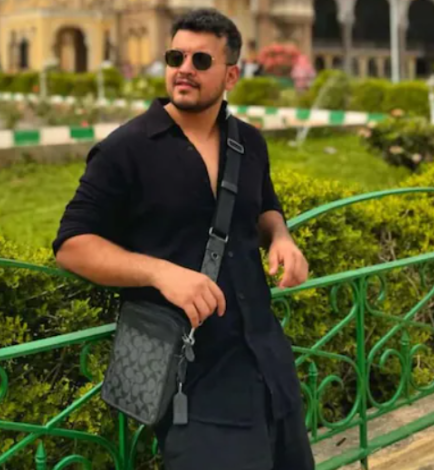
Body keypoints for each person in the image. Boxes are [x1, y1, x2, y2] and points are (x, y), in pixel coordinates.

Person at [52, 8, 316, 470]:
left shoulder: (248, 142)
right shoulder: (127, 149)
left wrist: (281, 237)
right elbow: (72, 245)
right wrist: (160, 273)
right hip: (193, 387)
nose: (184, 69)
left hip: (270, 370)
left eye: (201, 60)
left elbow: (264, 208)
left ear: (231, 75)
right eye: (176, 57)